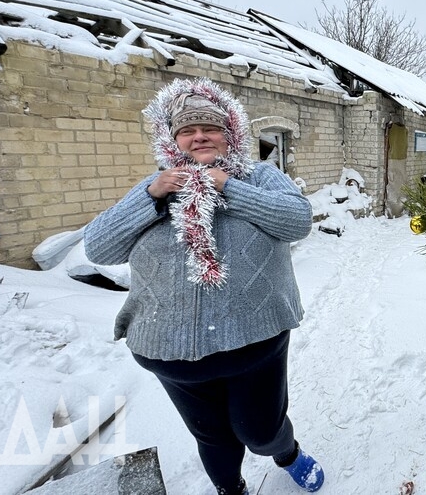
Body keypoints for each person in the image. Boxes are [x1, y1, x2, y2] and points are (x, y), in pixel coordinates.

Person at [85, 77, 324, 494]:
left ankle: (286, 454)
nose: (199, 137)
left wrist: (226, 186)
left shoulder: (259, 177)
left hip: (255, 342)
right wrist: (150, 196)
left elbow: (296, 221)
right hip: (168, 350)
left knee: (261, 431)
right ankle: (231, 490)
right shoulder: (157, 186)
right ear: (172, 139)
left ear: (229, 133)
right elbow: (99, 248)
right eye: (187, 130)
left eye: (209, 128)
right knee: (213, 437)